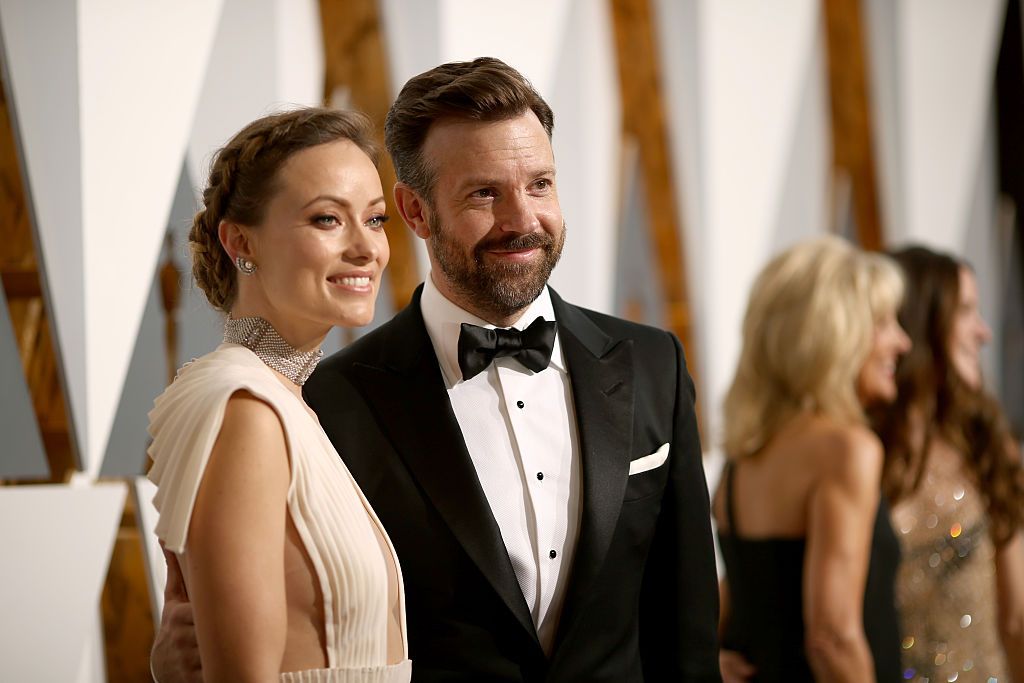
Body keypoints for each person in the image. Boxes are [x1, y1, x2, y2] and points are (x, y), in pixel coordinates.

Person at [152, 57, 721, 682]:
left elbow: (685, 624)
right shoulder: (331, 398)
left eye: (539, 184)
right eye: (485, 193)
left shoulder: (652, 363)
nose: (523, 220)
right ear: (417, 213)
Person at [146, 108, 411, 682]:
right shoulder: (245, 407)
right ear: (241, 241)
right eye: (327, 219)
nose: (367, 249)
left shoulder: (288, 404)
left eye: (375, 219)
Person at [713, 236, 907, 682]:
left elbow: (749, 593)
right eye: (883, 323)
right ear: (834, 333)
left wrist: (700, 662)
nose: (902, 341)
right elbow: (832, 639)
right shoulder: (847, 450)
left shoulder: (743, 459)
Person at [872, 245, 1024, 682]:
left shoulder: (986, 443)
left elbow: (1016, 618)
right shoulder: (855, 455)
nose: (984, 332)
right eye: (966, 311)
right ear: (921, 324)